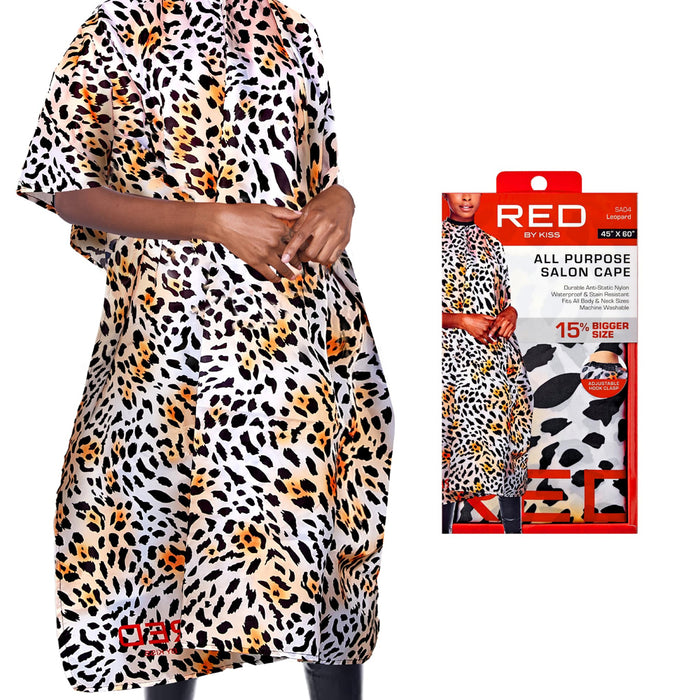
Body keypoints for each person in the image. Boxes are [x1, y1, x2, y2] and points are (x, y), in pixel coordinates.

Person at [15, 1, 394, 696]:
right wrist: (214, 220)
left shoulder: (288, 25)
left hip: (308, 331)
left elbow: (318, 175)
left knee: (333, 548)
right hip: (174, 337)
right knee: (163, 542)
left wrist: (341, 201)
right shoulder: (118, 26)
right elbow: (64, 189)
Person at [441, 193, 532, 534]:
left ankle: (513, 536)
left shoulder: (493, 244)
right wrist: (461, 320)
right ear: (444, 193)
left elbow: (504, 300)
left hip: (499, 363)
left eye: (473, 188)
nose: (466, 196)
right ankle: (441, 537)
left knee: (511, 446)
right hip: (450, 365)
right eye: (457, 187)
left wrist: (511, 313)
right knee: (447, 451)